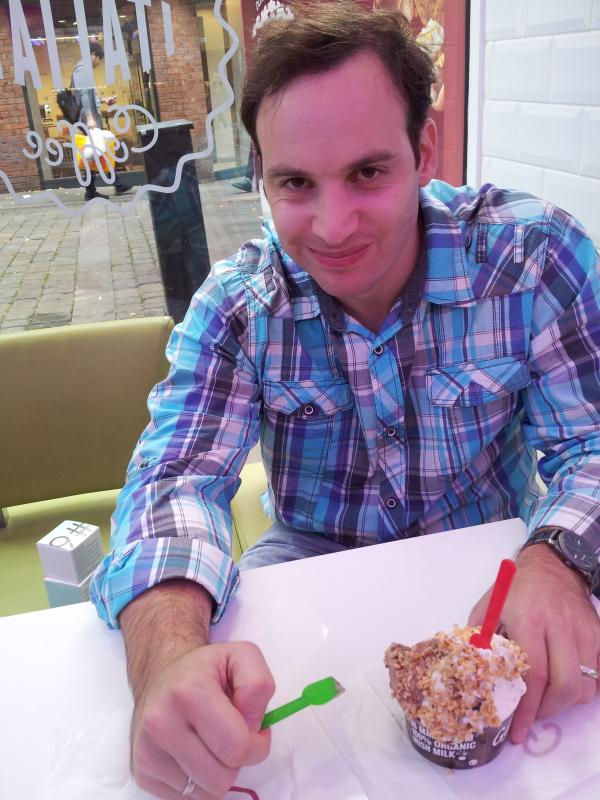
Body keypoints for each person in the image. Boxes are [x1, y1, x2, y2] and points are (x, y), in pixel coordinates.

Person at [90, 2, 600, 797]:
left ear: (423, 150)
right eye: (296, 182)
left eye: (367, 172)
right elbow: (175, 480)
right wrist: (167, 656)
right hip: (308, 563)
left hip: (495, 562)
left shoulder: (532, 259)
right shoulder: (238, 304)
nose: (332, 227)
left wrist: (561, 559)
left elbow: (591, 446)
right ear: (262, 176)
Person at [71, 41, 131, 201]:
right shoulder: (82, 70)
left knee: (97, 150)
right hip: (89, 119)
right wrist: (90, 118)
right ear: (93, 55)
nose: (99, 63)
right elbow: (84, 95)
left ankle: (110, 186)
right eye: (99, 59)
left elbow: (90, 95)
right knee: (94, 151)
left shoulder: (83, 70)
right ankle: (98, 189)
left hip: (89, 117)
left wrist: (104, 100)